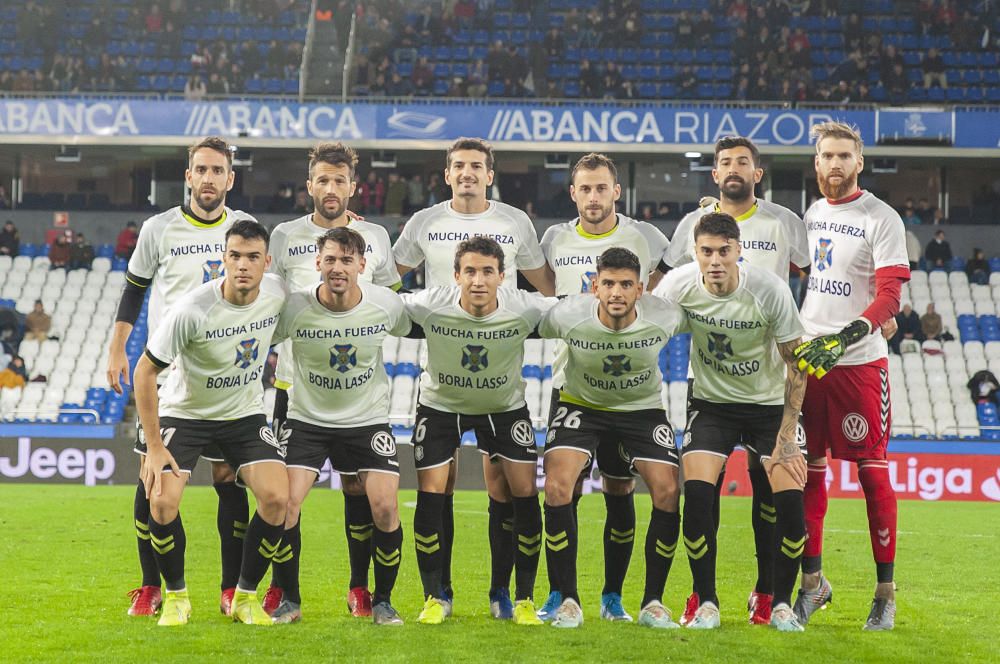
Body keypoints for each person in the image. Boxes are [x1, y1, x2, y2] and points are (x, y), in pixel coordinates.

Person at [393, 137, 555, 613]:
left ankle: (507, 594)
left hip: (500, 376)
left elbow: (547, 287)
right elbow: (388, 281)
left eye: (476, 166)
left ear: (490, 174)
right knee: (434, 487)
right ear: (446, 175)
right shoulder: (424, 222)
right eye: (458, 165)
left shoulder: (515, 223)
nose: (466, 172)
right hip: (443, 361)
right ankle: (436, 594)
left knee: (509, 489)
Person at [662, 135, 809, 627]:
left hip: (770, 406)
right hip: (712, 405)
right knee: (698, 499)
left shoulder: (768, 289)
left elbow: (796, 363)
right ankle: (705, 602)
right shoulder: (679, 285)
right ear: (695, 252)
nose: (716, 260)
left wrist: (788, 433)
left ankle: (779, 604)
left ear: (739, 250)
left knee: (790, 506)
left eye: (725, 251)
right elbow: (643, 333)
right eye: (706, 251)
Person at [108, 136, 257, 618]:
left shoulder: (245, 229)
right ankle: (153, 586)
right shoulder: (159, 229)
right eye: (201, 170)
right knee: (152, 478)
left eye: (219, 171)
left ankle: (231, 588)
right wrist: (117, 348)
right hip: (171, 374)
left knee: (228, 478)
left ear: (230, 179)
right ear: (188, 176)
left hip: (229, 372)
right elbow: (133, 293)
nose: (209, 178)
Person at [264, 142, 401, 619]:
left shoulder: (376, 238)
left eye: (338, 180)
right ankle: (285, 592)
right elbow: (269, 305)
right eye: (322, 180)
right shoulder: (283, 236)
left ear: (352, 186)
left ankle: (362, 589)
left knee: (361, 493)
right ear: (310, 185)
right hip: (294, 391)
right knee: (285, 500)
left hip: (360, 399)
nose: (330, 188)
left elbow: (394, 306)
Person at [536, 153, 671, 623]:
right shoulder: (554, 237)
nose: (593, 197)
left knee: (620, 489)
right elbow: (548, 293)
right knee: (560, 488)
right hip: (573, 386)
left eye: (602, 188)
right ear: (573, 193)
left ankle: (615, 597)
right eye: (584, 189)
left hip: (635, 397)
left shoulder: (645, 237)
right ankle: (562, 595)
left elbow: (657, 288)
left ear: (617, 191)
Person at [135, 219, 287, 627]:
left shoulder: (277, 294)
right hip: (187, 413)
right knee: (163, 503)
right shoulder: (193, 309)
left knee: (277, 498)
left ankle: (245, 597)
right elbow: (144, 372)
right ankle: (177, 597)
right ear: (223, 258)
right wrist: (154, 445)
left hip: (242, 414)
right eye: (235, 255)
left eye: (252, 257)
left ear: (266, 262)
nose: (242, 265)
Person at [792, 121, 910, 631]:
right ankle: (812, 586)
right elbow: (810, 278)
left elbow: (890, 296)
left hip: (859, 362)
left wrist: (847, 333)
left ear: (859, 162)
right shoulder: (812, 214)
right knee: (806, 472)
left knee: (870, 473)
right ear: (815, 163)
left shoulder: (880, 217)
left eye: (844, 155)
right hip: (808, 361)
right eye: (826, 156)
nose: (835, 164)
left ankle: (885, 594)